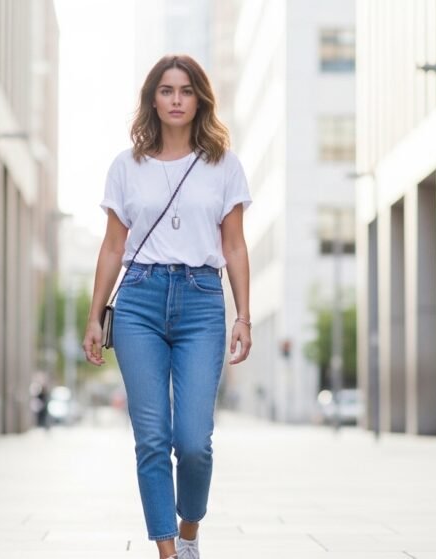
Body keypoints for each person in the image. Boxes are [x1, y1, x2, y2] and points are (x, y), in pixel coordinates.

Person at [82, 54, 252, 559]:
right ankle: (168, 552)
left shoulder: (224, 164)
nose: (176, 100)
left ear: (200, 99)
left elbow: (235, 246)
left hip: (202, 301)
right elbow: (113, 246)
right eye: (166, 90)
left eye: (186, 90)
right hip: (139, 300)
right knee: (152, 438)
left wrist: (243, 316)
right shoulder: (126, 166)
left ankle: (189, 530)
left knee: (194, 441)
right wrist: (94, 317)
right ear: (152, 100)